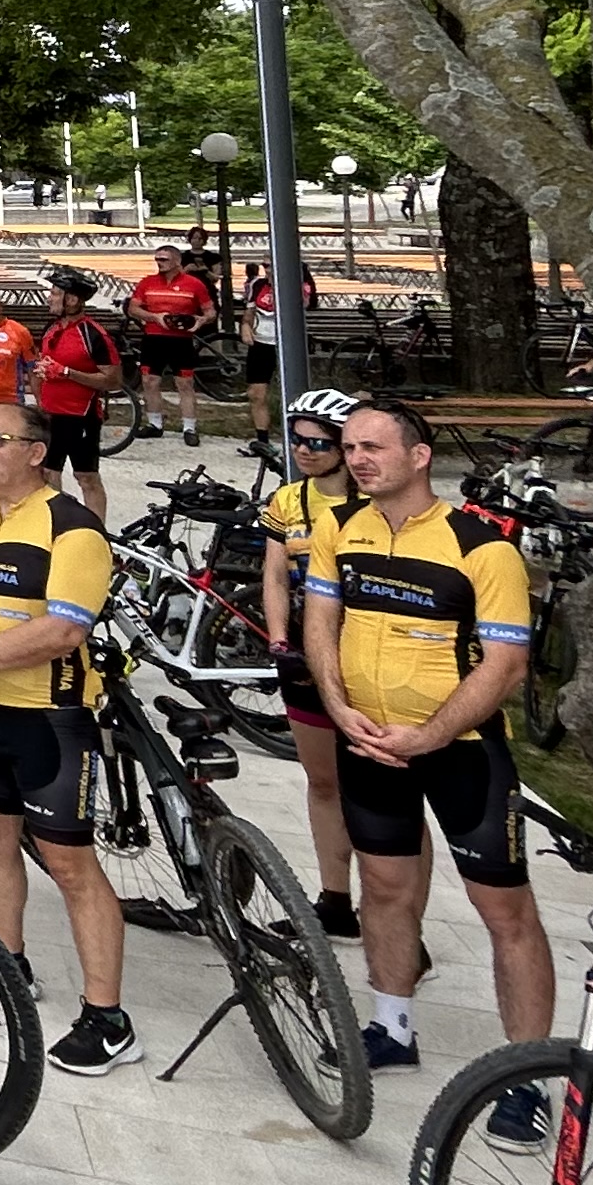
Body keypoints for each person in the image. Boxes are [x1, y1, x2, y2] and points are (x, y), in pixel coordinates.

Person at [299, 399, 557, 1090]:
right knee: (383, 889)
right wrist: (340, 710)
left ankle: (523, 1077)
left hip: (461, 750)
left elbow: (506, 665)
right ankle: (392, 1026)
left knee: (505, 912)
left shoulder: (483, 547)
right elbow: (320, 624)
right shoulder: (339, 529)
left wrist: (429, 735)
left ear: (419, 457)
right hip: (369, 741)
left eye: (373, 447)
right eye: (349, 447)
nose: (356, 459)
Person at [0, 406, 135, 1075]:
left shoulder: (73, 528)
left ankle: (107, 1017)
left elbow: (66, 629)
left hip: (52, 718)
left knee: (71, 866)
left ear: (36, 452)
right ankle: (5, 959)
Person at [252, 389, 368, 937]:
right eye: (295, 439)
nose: (303, 450)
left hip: (365, 657)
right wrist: (278, 638)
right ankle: (336, 900)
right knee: (322, 782)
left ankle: (394, 911)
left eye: (318, 443)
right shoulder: (287, 501)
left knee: (375, 791)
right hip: (301, 652)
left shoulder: (372, 504)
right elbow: (274, 575)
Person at [30, 269, 124, 513]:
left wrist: (68, 373)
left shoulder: (93, 334)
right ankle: (56, 525)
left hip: (81, 416)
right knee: (48, 474)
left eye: (55, 293)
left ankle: (96, 533)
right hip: (51, 414)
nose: (49, 297)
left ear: (71, 299)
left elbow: (113, 380)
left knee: (86, 477)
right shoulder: (51, 327)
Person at [126, 245, 215, 444]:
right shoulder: (148, 282)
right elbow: (133, 308)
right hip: (154, 337)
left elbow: (210, 311)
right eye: (157, 259)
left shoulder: (194, 284)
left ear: (177, 261)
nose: (159, 263)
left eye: (164, 259)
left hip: (181, 340)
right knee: (150, 381)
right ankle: (155, 424)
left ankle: (189, 427)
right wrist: (154, 317)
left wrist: (200, 320)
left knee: (184, 383)